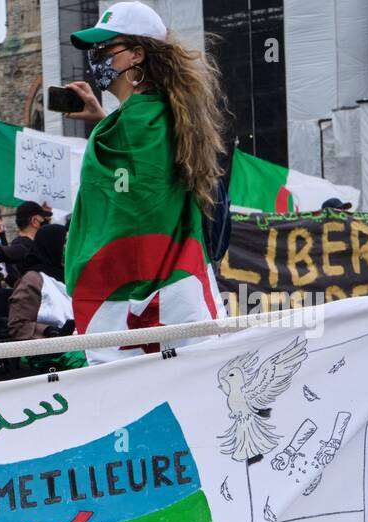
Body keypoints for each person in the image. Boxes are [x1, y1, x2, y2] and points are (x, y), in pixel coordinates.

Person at [60, 1, 227, 364]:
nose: (97, 58)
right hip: (180, 296)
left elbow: (133, 205)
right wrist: (105, 118)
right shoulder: (160, 116)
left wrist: (106, 123)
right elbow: (143, 176)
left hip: (126, 303)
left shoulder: (125, 129)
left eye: (106, 49)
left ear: (137, 54)